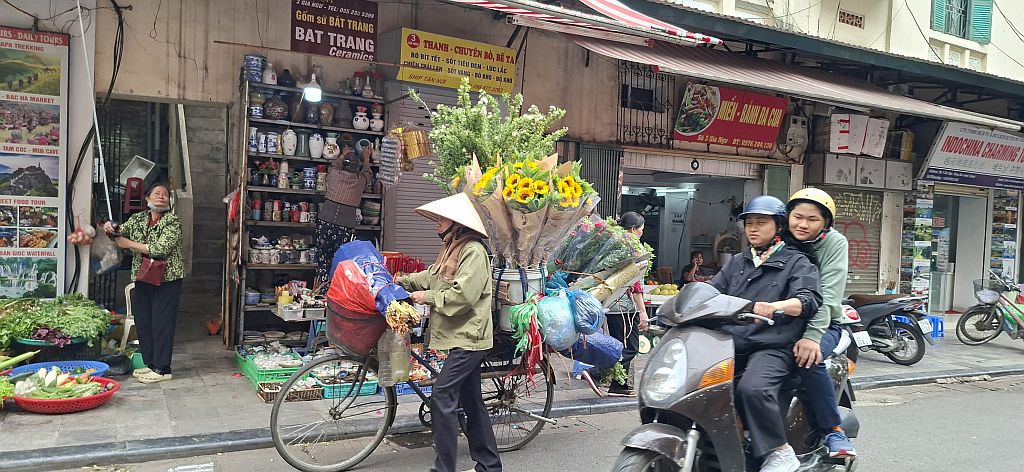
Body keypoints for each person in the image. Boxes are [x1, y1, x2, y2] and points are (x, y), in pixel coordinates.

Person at [708, 195, 822, 472]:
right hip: (732, 343)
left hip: (773, 346)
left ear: (779, 226)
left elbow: (808, 299)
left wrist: (777, 306)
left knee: (752, 388)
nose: (753, 229)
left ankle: (779, 451)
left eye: (761, 223)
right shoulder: (737, 261)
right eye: (749, 223)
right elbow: (711, 292)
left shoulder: (797, 262)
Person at [395, 193, 501, 472]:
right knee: (472, 401)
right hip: (460, 335)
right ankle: (490, 465)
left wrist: (426, 297)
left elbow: (464, 294)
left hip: (471, 336)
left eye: (440, 219)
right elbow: (431, 276)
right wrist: (399, 280)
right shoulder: (451, 247)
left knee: (442, 396)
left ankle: (444, 468)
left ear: (456, 222)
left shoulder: (474, 251)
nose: (436, 224)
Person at [783, 188, 857, 459]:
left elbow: (828, 296)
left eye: (812, 219)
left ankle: (832, 429)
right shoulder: (781, 239)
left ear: (826, 222)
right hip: (783, 319)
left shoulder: (835, 243)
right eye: (797, 217)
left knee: (807, 358)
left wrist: (813, 337)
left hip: (825, 324)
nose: (802, 224)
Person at [103, 183, 184, 384]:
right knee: (144, 321)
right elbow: (119, 231)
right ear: (147, 199)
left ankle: (163, 368)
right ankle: (150, 364)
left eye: (165, 195)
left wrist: (128, 244)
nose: (162, 197)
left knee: (161, 323)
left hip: (166, 280)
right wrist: (111, 227)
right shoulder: (138, 219)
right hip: (143, 277)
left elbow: (160, 249)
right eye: (157, 194)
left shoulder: (172, 222)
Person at [604, 211, 649, 397]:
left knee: (620, 345)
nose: (642, 234)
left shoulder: (613, 245)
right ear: (632, 229)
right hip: (623, 307)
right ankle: (611, 376)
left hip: (611, 304)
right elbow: (636, 284)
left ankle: (620, 385)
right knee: (631, 347)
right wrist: (643, 311)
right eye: (641, 230)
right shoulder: (631, 249)